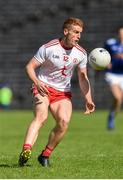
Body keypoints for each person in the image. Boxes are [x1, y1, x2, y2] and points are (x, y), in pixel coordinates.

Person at [18, 17, 95, 167]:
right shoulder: (49, 48)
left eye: (80, 33)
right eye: (75, 32)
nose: (78, 36)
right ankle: (26, 150)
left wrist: (89, 99)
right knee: (42, 116)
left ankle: (45, 155)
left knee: (64, 122)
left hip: (62, 93)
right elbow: (29, 67)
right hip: (43, 87)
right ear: (66, 31)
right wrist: (37, 82)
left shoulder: (81, 53)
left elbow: (83, 77)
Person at [104, 26, 123, 130]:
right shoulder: (111, 43)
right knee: (117, 97)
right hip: (112, 74)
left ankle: (112, 114)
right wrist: (107, 62)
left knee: (119, 101)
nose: (122, 35)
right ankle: (111, 118)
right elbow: (103, 54)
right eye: (120, 33)